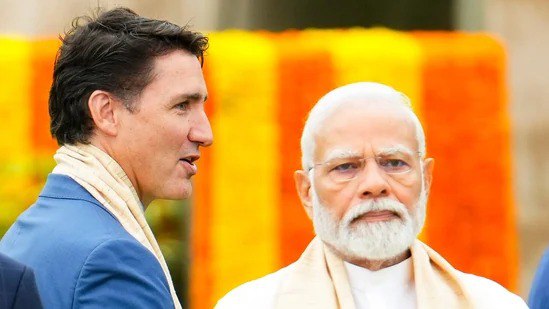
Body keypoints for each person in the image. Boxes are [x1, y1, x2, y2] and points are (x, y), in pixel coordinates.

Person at [216, 82, 526, 308]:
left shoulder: (494, 303)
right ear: (307, 191)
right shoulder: (251, 303)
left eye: (394, 163)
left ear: (426, 179)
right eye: (346, 167)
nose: (375, 184)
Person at [0, 7, 212, 309]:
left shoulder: (25, 232)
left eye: (201, 105)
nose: (205, 133)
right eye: (181, 105)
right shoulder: (113, 258)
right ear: (106, 112)